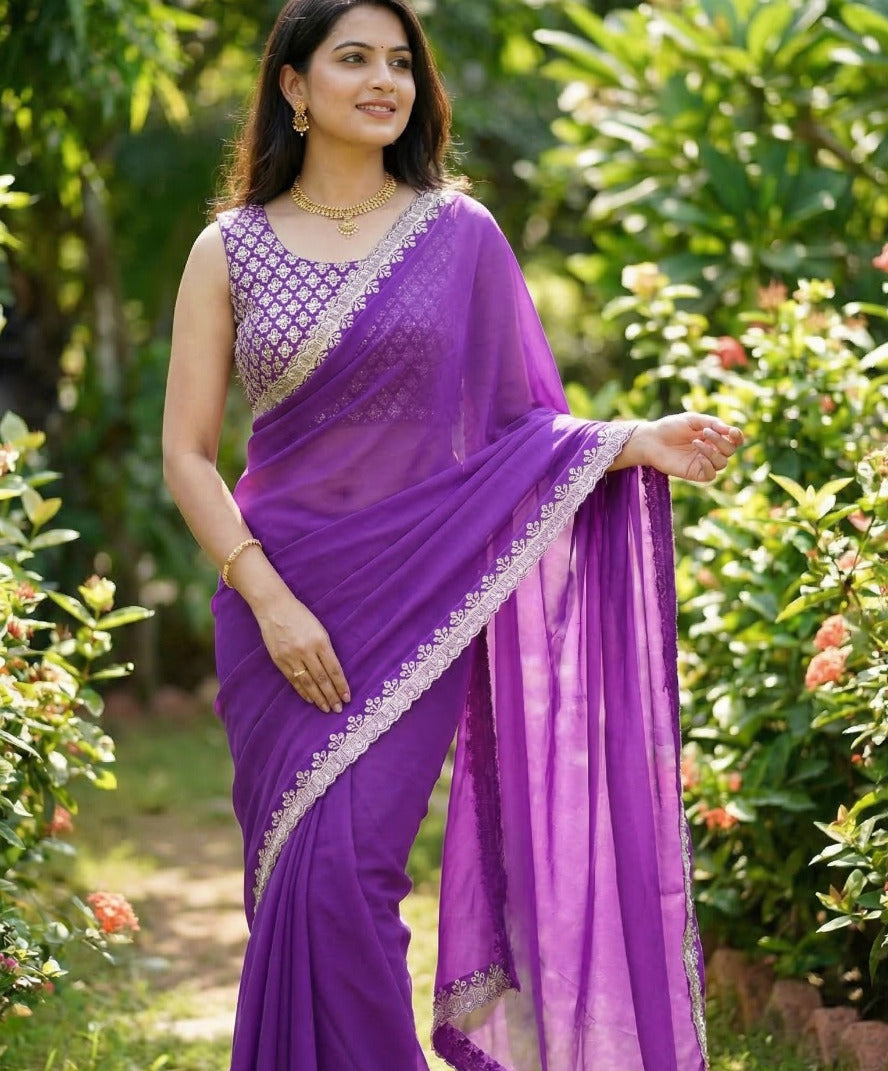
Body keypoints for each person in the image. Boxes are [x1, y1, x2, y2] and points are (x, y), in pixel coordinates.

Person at [162, 1, 743, 1068]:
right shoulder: (228, 249)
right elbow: (187, 455)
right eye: (353, 59)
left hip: (416, 598)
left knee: (347, 873)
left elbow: (516, 428)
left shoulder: (458, 234)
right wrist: (268, 599)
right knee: (296, 882)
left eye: (399, 61)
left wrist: (628, 441)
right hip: (273, 602)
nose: (383, 80)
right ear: (292, 85)